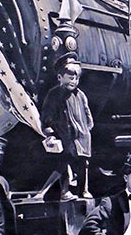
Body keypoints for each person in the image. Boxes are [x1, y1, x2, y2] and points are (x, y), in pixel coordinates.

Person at [39, 57, 94, 200]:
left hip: (81, 136)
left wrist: (87, 129)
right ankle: (64, 191)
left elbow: (87, 114)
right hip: (64, 135)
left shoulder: (81, 95)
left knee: (83, 164)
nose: (73, 81)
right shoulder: (54, 95)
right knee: (63, 162)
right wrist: (49, 132)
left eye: (76, 79)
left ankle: (84, 189)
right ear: (59, 77)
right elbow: (46, 116)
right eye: (70, 78)